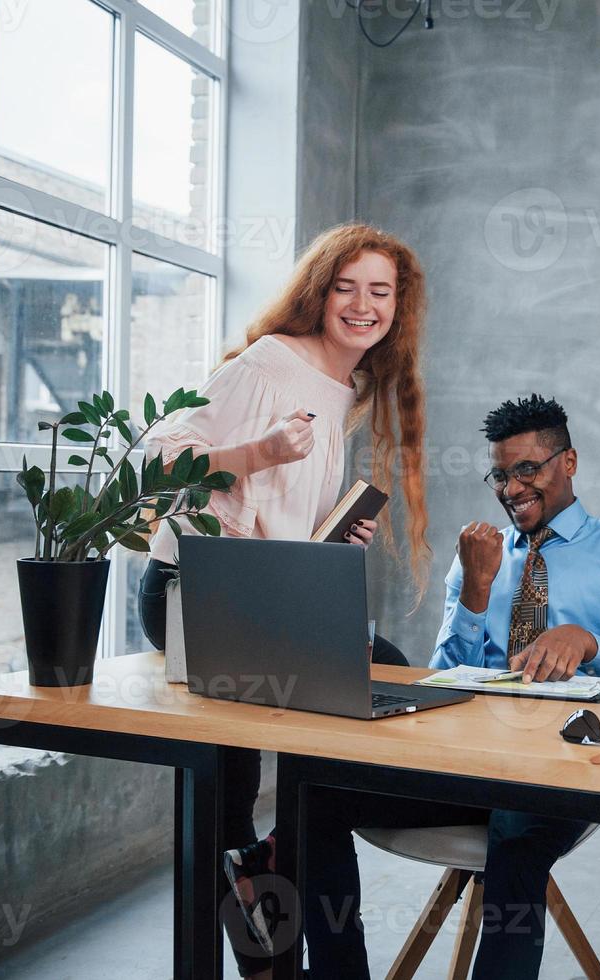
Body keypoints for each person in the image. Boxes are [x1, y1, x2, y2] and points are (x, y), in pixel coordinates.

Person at [134, 222, 434, 979]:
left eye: (381, 292)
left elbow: (277, 518)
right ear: (319, 292)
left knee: (380, 694)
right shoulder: (271, 363)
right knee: (236, 793)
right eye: (347, 287)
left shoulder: (342, 388)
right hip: (195, 593)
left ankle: (294, 921)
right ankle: (267, 945)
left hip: (262, 598)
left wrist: (333, 540)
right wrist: (257, 453)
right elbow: (156, 460)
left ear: (399, 307)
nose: (363, 305)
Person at [300, 393, 600, 980]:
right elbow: (442, 677)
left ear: (568, 462)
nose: (511, 487)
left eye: (528, 469)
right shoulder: (479, 554)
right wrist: (474, 592)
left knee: (517, 826)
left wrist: (589, 643)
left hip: (562, 772)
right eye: (500, 474)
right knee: (312, 795)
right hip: (470, 762)